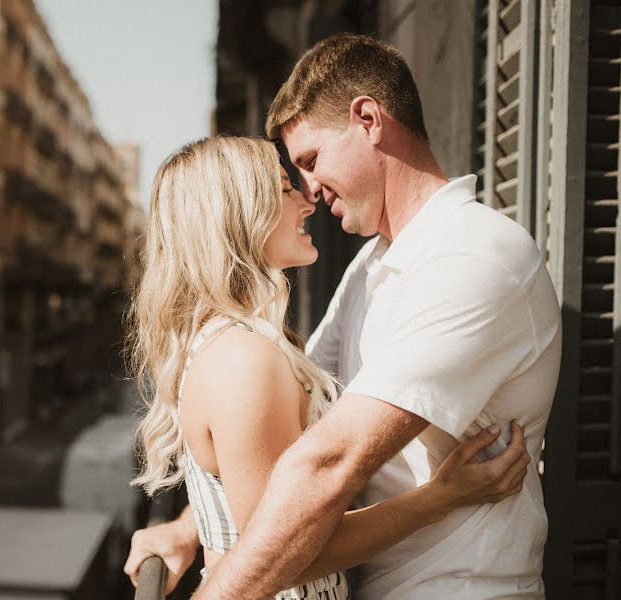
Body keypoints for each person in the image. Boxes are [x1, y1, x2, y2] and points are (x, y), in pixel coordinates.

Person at [125, 34, 561, 599]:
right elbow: (287, 435)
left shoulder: (475, 258)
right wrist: (192, 527)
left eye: (309, 161)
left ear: (368, 120)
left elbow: (328, 460)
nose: (307, 189)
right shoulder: (373, 265)